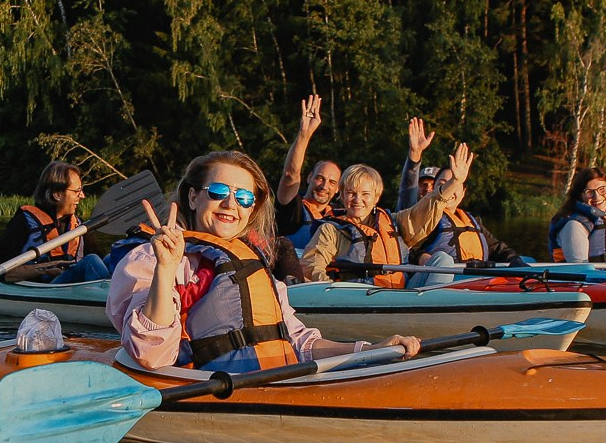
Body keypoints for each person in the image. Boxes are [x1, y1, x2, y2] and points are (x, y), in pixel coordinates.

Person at [107, 149, 420, 373]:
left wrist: (369, 349)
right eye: (218, 191)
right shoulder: (149, 259)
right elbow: (151, 355)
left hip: (271, 380)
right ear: (192, 197)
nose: (231, 204)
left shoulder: (252, 264)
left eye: (244, 198)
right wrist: (165, 268)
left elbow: (299, 341)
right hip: (202, 387)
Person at [301, 141, 476, 285]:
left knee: (442, 260)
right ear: (342, 195)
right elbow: (311, 266)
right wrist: (331, 291)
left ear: (376, 197)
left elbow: (426, 208)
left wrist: (454, 182)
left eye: (365, 194)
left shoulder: (393, 222)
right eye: (351, 193)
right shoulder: (331, 230)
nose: (357, 200)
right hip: (359, 297)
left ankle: (431, 311)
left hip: (401, 292)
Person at [396, 119, 524, 277]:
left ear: (463, 193)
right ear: (435, 191)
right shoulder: (426, 217)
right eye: (444, 184)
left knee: (520, 260)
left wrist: (517, 262)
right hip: (444, 279)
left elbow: (499, 249)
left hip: (476, 279)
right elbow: (407, 240)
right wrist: (415, 155)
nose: (451, 189)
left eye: (456, 184)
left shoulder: (472, 220)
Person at [0, 160, 111, 284]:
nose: (82, 196)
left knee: (111, 258)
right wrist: (45, 269)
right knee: (91, 261)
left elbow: (100, 262)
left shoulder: (79, 225)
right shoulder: (23, 223)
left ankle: (118, 298)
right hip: (43, 288)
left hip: (73, 288)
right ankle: (113, 300)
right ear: (57, 195)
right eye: (76, 191)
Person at [273, 94, 340, 241]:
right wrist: (305, 134)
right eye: (320, 178)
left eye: (332, 182)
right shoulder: (292, 210)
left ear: (338, 189)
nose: (324, 186)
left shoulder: (341, 217)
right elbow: (290, 175)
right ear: (310, 177)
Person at [549, 167, 606, 263]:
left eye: (602, 189)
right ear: (580, 195)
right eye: (589, 192)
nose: (597, 196)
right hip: (591, 276)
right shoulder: (574, 225)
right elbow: (579, 269)